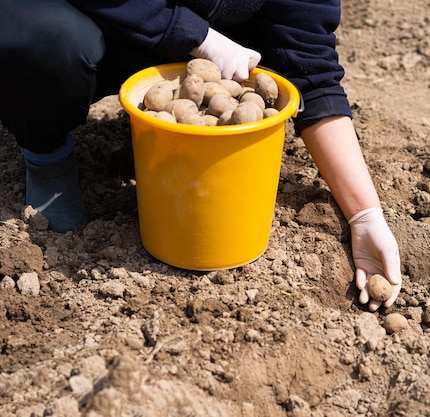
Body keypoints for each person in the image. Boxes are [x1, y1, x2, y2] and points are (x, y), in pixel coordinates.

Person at [0, 0, 402, 311]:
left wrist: (364, 214)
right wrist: (197, 37)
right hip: (100, 21)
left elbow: (309, 67)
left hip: (214, 52)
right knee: (44, 40)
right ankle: (45, 153)